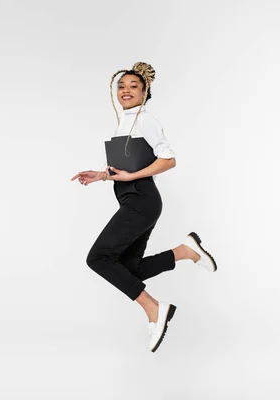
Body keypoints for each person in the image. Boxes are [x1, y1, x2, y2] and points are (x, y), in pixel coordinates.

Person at [71, 61, 217, 353]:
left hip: (141, 199)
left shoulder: (145, 119)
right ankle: (185, 251)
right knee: (129, 269)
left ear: (145, 91)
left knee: (98, 258)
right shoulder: (126, 119)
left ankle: (154, 309)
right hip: (134, 198)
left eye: (133, 86)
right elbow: (126, 164)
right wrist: (100, 174)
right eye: (121, 86)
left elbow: (168, 159)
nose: (125, 91)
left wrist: (133, 177)